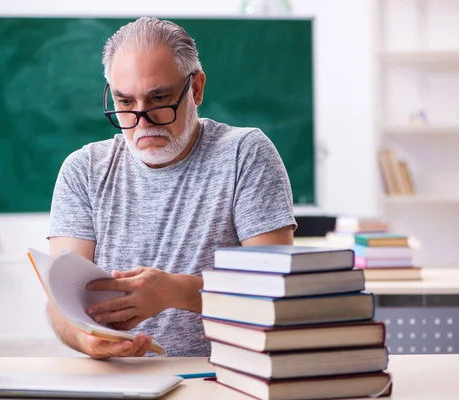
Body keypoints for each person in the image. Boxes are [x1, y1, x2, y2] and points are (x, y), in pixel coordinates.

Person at [47, 16, 297, 359]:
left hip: (224, 377)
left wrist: (178, 292)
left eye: (159, 99)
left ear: (195, 89)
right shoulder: (84, 170)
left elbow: (279, 289)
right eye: (124, 103)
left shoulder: (245, 154)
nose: (141, 120)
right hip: (118, 380)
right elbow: (60, 304)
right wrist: (84, 339)